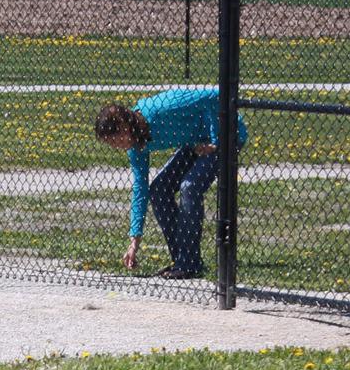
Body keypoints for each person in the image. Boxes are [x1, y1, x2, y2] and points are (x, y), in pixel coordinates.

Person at [95, 89, 247, 278]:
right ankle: (184, 260)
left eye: (115, 139)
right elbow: (140, 189)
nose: (115, 146)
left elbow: (215, 95)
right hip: (195, 143)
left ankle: (188, 263)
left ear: (125, 126)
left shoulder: (162, 108)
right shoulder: (137, 144)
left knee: (189, 187)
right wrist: (134, 241)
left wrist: (216, 140)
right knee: (158, 190)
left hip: (227, 136)